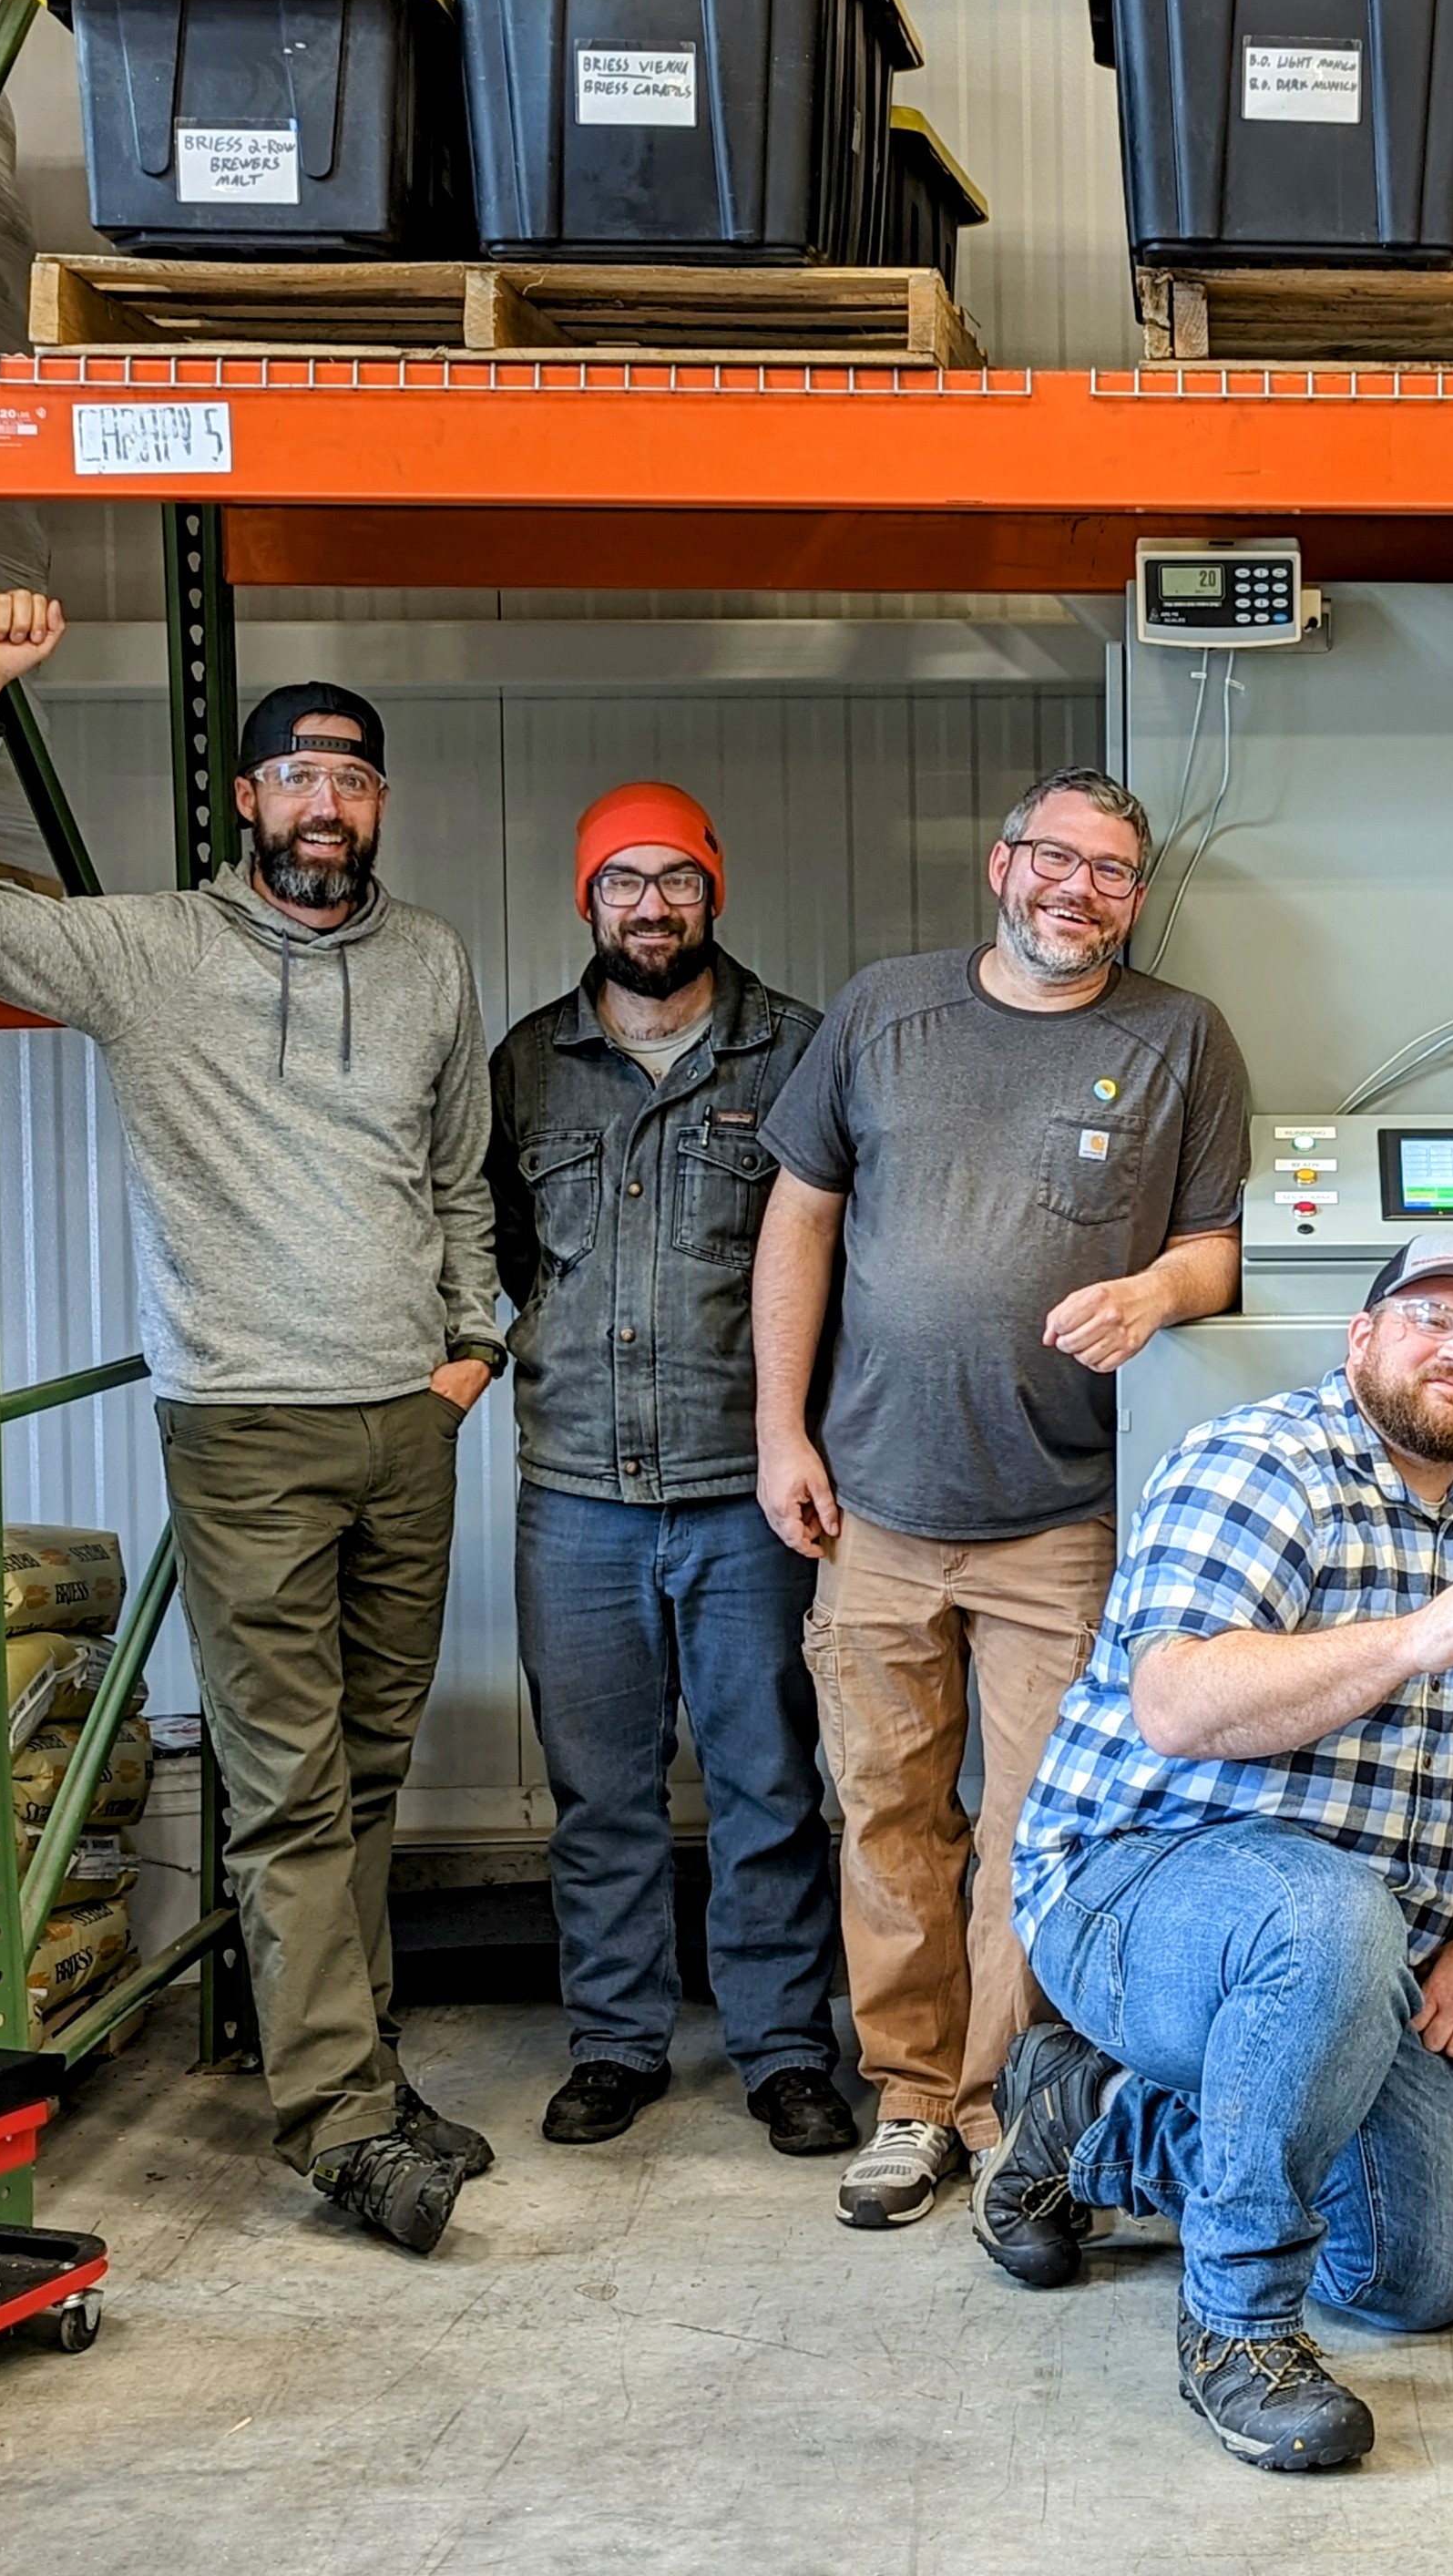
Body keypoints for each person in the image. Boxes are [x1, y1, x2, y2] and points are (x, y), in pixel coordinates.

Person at [0, 591, 502, 2257]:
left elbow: (459, 1172)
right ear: (248, 803)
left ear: (379, 804)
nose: (326, 803)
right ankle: (339, 2124)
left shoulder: (432, 962)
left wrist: (470, 1349)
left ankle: (362, 2064)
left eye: (354, 777)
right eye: (296, 777)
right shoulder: (150, 952)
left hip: (408, 1418)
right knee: (281, 1777)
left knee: (369, 1767)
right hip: (245, 1421)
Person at [967, 1236, 1453, 2475]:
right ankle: (1237, 2332)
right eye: (1429, 1321)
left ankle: (1087, 2118)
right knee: (1327, 1910)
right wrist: (1414, 1638)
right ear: (1359, 1340)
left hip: (1366, 1960)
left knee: (1416, 2275)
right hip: (1131, 1887)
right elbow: (1179, 1704)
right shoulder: (1265, 1462)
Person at [752, 766, 1251, 2233]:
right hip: (876, 1504)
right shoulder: (885, 1011)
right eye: (1055, 860)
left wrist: (1159, 1288)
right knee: (889, 1814)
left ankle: (1005, 2109)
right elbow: (802, 1216)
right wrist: (782, 1431)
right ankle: (910, 2103)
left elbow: (1221, 1250)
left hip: (1064, 1512)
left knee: (1042, 1830)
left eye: (1111, 873)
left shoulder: (1180, 1038)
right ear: (1000, 864)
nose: (1077, 892)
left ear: (1135, 899)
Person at [486, 785, 855, 2160]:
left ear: (716, 889)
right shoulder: (530, 1065)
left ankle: (781, 2050)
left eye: (676, 879)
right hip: (575, 1490)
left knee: (769, 1779)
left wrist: (809, 1437)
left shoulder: (802, 1054)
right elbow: (496, 1252)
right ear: (587, 903)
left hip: (748, 1492)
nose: (651, 906)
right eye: (622, 883)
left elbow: (841, 1266)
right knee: (601, 1790)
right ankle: (617, 2042)